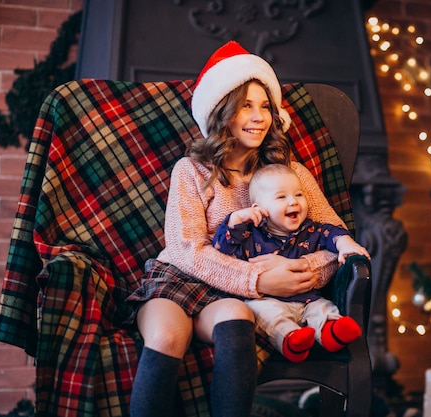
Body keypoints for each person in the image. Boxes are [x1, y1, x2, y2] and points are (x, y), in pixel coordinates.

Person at [126, 40, 350, 417]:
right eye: (246, 105)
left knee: (237, 319)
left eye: (266, 106)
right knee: (168, 335)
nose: (259, 116)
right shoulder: (192, 170)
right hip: (181, 279)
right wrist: (260, 279)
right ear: (222, 111)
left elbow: (334, 232)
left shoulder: (290, 173)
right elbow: (186, 249)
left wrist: (304, 273)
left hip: (228, 298)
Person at [212, 163, 370, 363]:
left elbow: (333, 233)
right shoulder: (250, 234)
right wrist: (235, 219)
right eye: (281, 197)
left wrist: (345, 244)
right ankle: (291, 339)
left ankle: (332, 331)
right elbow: (222, 250)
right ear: (258, 209)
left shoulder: (310, 230)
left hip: (307, 299)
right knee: (263, 313)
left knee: (323, 308)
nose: (294, 202)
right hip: (268, 301)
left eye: (299, 195)